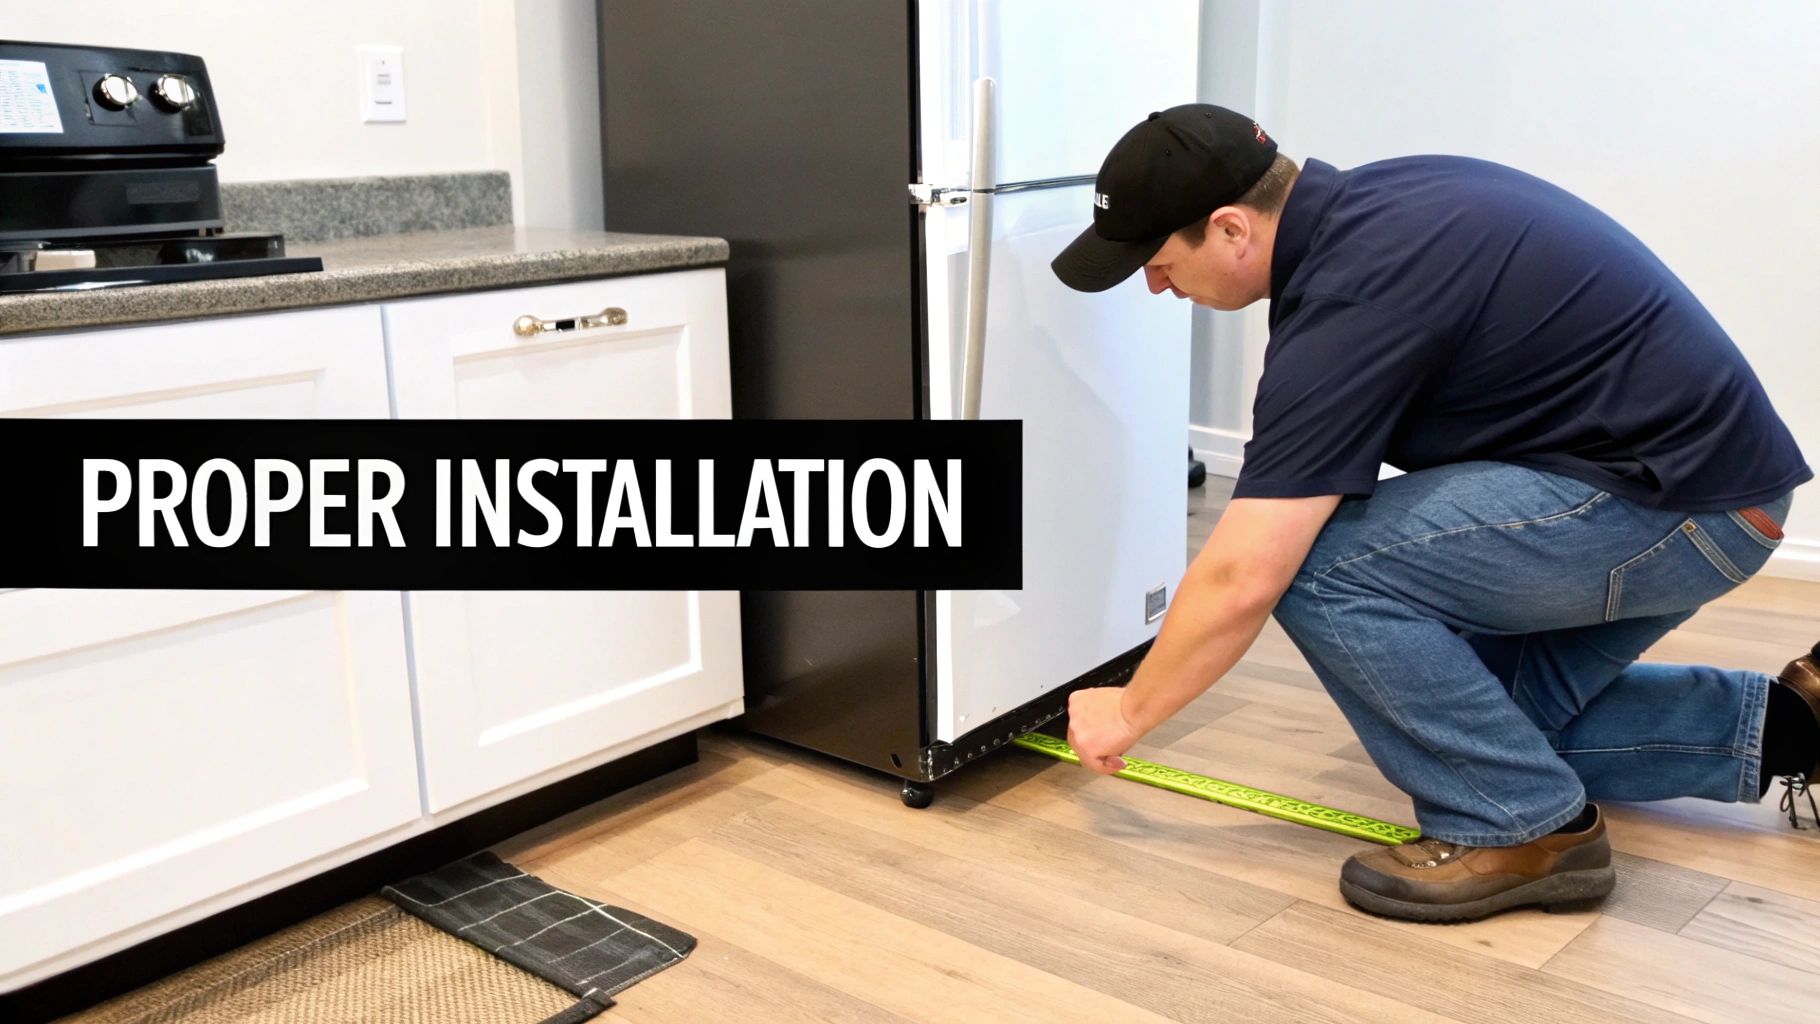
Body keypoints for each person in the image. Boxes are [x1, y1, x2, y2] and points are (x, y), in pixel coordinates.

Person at [1051, 104, 1816, 924]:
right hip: (1704, 491)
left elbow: (1246, 573)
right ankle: (1800, 725)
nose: (1156, 285)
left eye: (1160, 261)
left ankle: (1520, 828)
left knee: (1315, 570)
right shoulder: (1379, 210)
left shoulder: (1351, 299)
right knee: (1487, 730)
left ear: (1232, 228)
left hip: (1674, 506)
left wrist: (1128, 710)